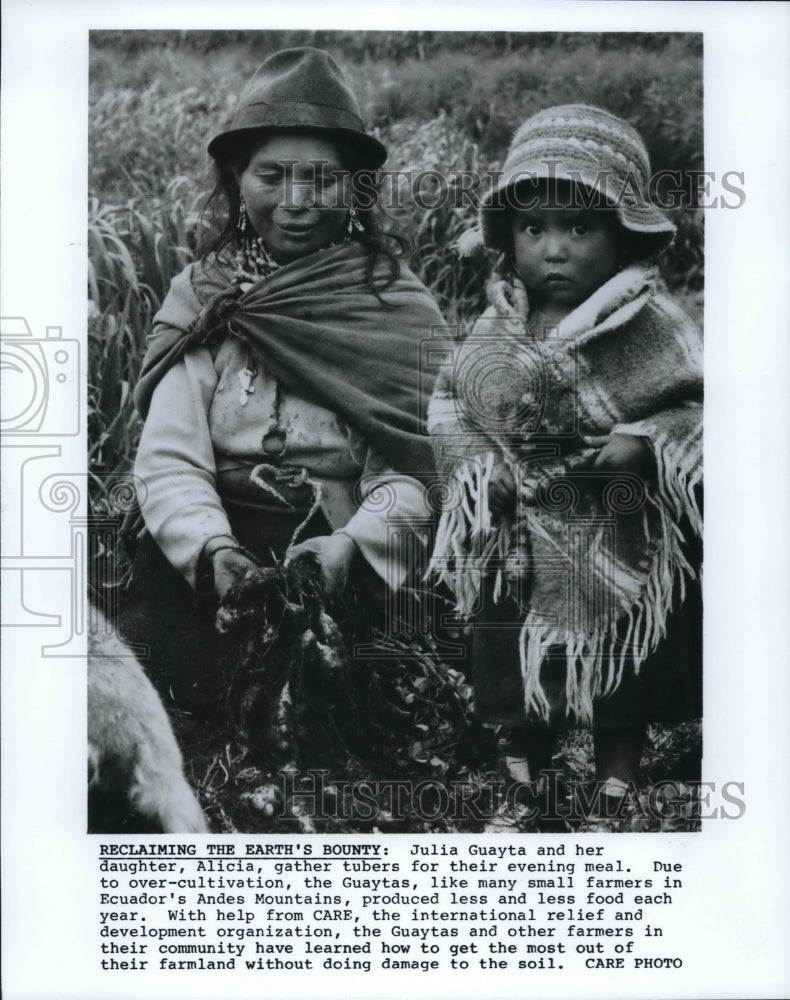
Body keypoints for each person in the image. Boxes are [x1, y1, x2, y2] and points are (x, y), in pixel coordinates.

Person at [119, 48, 444, 719]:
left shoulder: (391, 308)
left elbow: (417, 468)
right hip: (207, 559)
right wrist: (212, 551)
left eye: (321, 179)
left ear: (353, 187)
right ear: (237, 179)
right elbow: (170, 456)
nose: (296, 203)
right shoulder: (206, 299)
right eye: (272, 175)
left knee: (351, 711)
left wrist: (352, 546)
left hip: (346, 556)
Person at [428, 105, 702, 818]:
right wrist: (484, 472)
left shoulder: (651, 324)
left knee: (622, 665)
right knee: (515, 655)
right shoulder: (498, 326)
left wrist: (644, 441)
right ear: (508, 239)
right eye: (533, 228)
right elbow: (455, 403)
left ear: (623, 234)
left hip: (618, 525)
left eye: (580, 228)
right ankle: (527, 770)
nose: (553, 249)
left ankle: (617, 774)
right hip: (519, 530)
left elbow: (698, 406)